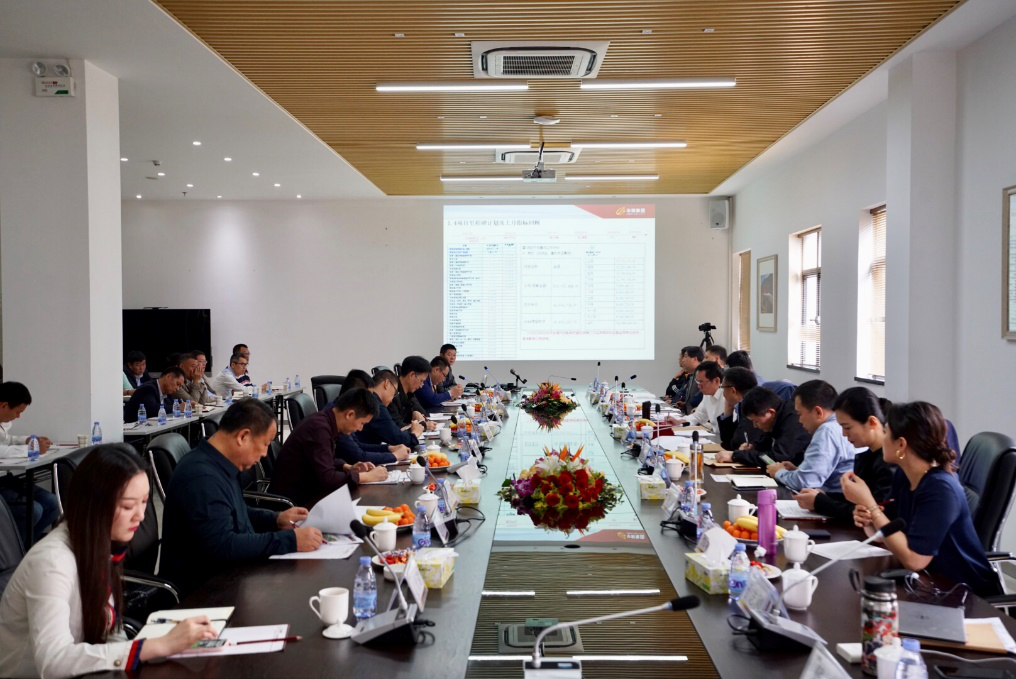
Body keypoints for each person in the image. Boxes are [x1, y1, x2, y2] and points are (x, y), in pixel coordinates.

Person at [0, 445, 217, 678]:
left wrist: (135, 653)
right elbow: (53, 662)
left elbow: (110, 627)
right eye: (128, 506)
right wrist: (151, 647)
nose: (140, 515)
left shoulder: (95, 543)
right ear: (94, 505)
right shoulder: (52, 563)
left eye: (144, 501)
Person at [160, 399, 323, 595]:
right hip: (205, 591)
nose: (265, 453)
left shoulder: (219, 462)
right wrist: (290, 540)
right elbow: (223, 546)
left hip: (233, 574)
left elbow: (237, 512)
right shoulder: (202, 478)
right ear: (243, 436)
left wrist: (276, 519)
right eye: (265, 444)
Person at [842, 401, 996, 596]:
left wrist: (870, 505)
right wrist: (868, 516)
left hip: (967, 594)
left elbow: (915, 560)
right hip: (929, 584)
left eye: (886, 432)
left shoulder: (940, 489)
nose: (882, 438)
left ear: (901, 444)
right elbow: (885, 534)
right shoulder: (904, 475)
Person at [269, 388, 390, 507]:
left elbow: (323, 460)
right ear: (350, 414)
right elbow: (327, 478)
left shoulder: (324, 422)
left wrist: (349, 467)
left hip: (310, 494)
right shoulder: (319, 429)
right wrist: (367, 477)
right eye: (362, 423)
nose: (360, 429)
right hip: (295, 504)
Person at [793, 387, 894, 520]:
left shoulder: (890, 463)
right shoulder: (866, 456)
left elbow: (873, 512)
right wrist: (823, 496)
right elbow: (857, 501)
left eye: (847, 427)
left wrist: (820, 502)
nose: (844, 434)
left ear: (871, 422)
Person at [766, 380, 859, 493]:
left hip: (835, 498)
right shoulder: (838, 425)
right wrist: (797, 471)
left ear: (818, 412)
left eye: (800, 414)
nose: (799, 421)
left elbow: (806, 482)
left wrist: (778, 472)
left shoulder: (827, 431)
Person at [0, 382, 60, 544]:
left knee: (53, 503)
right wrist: (31, 450)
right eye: (18, 412)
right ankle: (13, 551)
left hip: (6, 479)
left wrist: (28, 440)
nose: (18, 417)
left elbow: (7, 440)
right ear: (4, 405)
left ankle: (27, 545)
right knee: (34, 510)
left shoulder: (3, 422)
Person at [716, 386, 811, 468]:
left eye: (756, 421)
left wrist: (736, 456)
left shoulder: (793, 422)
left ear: (771, 412)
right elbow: (765, 452)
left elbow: (774, 460)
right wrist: (753, 448)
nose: (754, 426)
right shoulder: (776, 418)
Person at [359, 370, 424, 449]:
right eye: (395, 392)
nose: (392, 399)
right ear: (387, 384)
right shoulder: (376, 405)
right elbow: (398, 440)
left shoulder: (371, 399)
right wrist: (415, 433)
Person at [666, 361, 724, 432]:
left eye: (701, 382)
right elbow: (697, 416)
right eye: (697, 382)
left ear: (716, 381)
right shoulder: (707, 395)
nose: (698, 386)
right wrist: (678, 422)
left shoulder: (727, 397)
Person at [715, 367, 763, 450]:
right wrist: (728, 411)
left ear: (733, 391)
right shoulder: (741, 406)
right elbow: (727, 442)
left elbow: (735, 444)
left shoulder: (753, 410)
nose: (722, 393)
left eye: (722, 388)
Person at [388, 355, 431, 429]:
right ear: (411, 375)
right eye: (421, 381)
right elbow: (397, 426)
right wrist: (423, 425)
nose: (421, 386)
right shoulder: (392, 394)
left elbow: (423, 413)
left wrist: (414, 413)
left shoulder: (409, 393)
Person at [676, 346, 705, 411]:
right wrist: (685, 404)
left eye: (685, 357)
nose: (683, 360)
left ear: (694, 359)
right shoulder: (692, 376)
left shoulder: (703, 376)